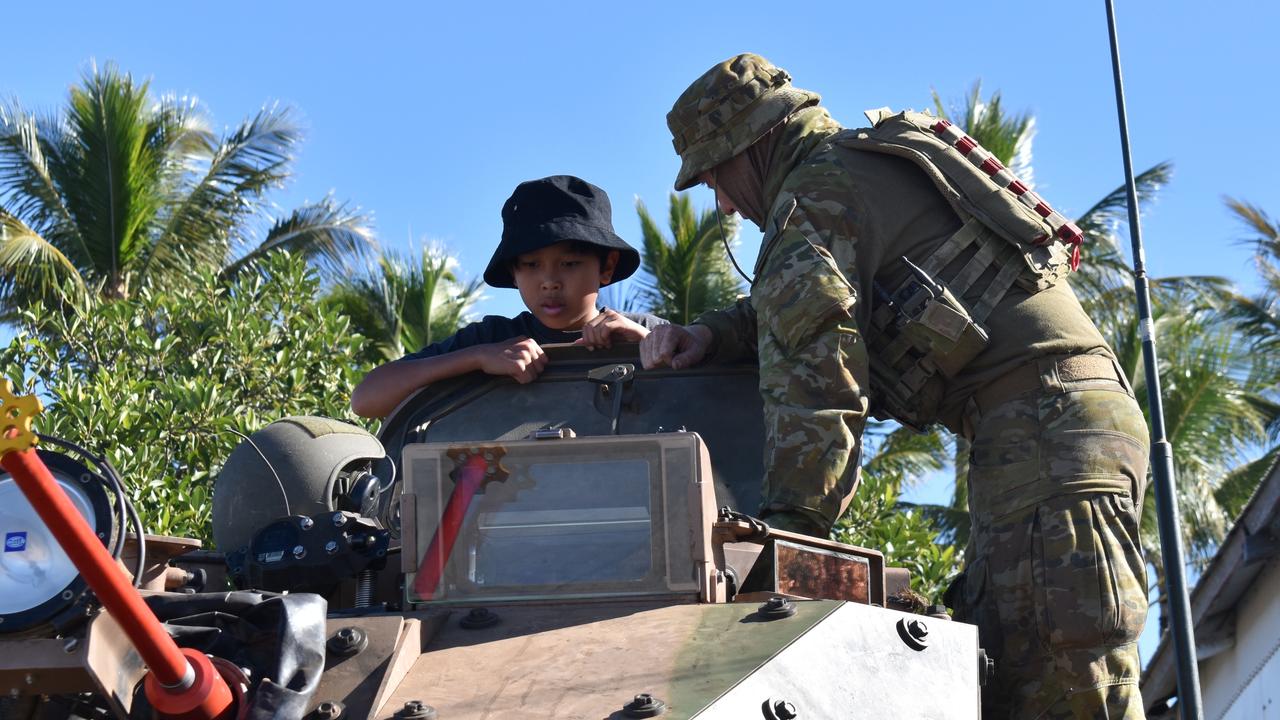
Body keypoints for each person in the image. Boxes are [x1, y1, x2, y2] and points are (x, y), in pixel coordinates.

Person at [641, 54, 1149, 718]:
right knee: (1019, 668)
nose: (727, 204)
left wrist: (787, 540)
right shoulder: (849, 169)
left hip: (1043, 435)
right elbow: (812, 303)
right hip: (1053, 423)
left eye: (716, 180)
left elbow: (819, 382)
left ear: (748, 145)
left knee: (1062, 682)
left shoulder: (813, 197)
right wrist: (709, 335)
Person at [353, 175, 665, 418]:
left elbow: (706, 394)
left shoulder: (644, 330)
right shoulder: (491, 340)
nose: (550, 282)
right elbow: (366, 399)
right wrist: (477, 357)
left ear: (606, 267)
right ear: (513, 273)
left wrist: (645, 343)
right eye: (531, 265)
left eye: (569, 264)